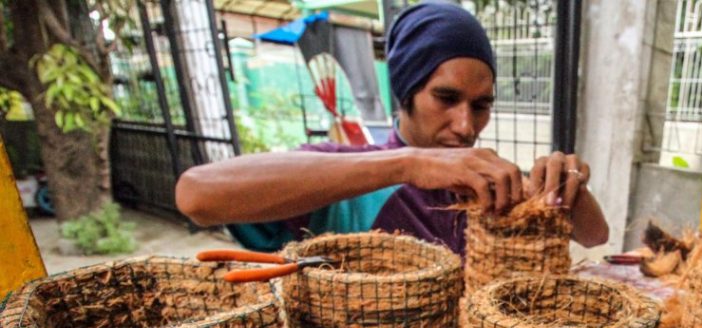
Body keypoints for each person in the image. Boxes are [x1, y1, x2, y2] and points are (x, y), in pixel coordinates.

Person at [175, 2, 608, 254]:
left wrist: (570, 186)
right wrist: (409, 165)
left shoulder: (487, 184)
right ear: (405, 93)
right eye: (446, 98)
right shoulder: (350, 178)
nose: (466, 125)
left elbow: (595, 236)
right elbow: (196, 194)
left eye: (481, 106)